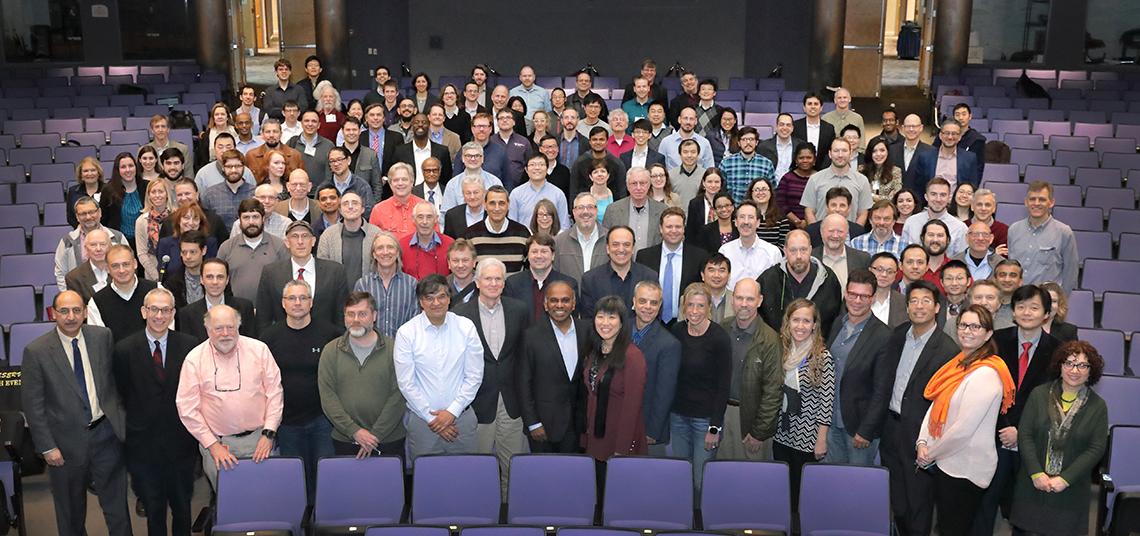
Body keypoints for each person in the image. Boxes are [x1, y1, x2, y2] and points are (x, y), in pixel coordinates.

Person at [22, 290, 131, 536]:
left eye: (76, 310)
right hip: (64, 443)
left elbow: (114, 383)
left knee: (117, 507)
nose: (71, 317)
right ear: (53, 314)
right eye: (64, 311)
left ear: (84, 313)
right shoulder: (36, 351)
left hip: (106, 435)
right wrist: (47, 447)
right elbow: (34, 406)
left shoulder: (102, 337)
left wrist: (121, 423)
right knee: (70, 510)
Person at [918, 305, 1016, 536]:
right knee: (945, 527)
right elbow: (935, 406)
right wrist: (922, 442)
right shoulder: (958, 363)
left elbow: (963, 429)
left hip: (966, 468)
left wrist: (930, 454)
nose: (967, 331)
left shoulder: (987, 372)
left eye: (976, 326)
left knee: (954, 529)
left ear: (989, 333)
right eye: (963, 325)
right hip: (946, 461)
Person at [974, 284, 1062, 536]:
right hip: (993, 436)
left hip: (1033, 442)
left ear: (1046, 313)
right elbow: (984, 388)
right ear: (1012, 311)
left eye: (1034, 307)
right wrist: (1004, 427)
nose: (1026, 312)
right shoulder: (996, 342)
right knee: (984, 504)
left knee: (1024, 511)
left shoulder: (1059, 349)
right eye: (1020, 306)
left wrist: (1020, 430)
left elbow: (1055, 399)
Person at [113, 287, 198, 536]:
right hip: (143, 446)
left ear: (173, 313)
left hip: (181, 443)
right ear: (143, 312)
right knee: (154, 509)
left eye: (165, 310)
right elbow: (121, 393)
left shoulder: (190, 346)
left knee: (183, 508)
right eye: (153, 309)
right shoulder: (124, 350)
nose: (159, 316)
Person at [880, 280, 960, 536]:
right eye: (914, 300)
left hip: (921, 435)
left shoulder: (948, 349)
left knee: (919, 502)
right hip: (891, 428)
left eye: (926, 300)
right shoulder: (898, 334)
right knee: (897, 499)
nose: (919, 306)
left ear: (937, 307)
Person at [176, 304, 283, 489]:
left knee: (265, 500)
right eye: (218, 328)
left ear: (238, 327)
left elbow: (275, 393)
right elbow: (187, 408)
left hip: (260, 442)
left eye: (230, 327)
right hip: (219, 446)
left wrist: (269, 434)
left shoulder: (259, 350)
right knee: (228, 506)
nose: (225, 333)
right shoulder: (194, 359)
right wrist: (212, 445)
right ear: (208, 330)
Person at [1009, 340, 1109, 536]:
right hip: (1033, 486)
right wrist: (1036, 473)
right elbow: (1026, 435)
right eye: (1069, 363)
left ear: (1091, 371)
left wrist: (1065, 479)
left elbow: (1096, 449)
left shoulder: (1098, 406)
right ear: (1060, 366)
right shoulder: (1039, 395)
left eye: (1083, 365)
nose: (1075, 370)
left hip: (1070, 491)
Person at [453, 259, 529, 494]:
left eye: (498, 279)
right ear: (477, 282)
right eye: (488, 278)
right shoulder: (459, 314)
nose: (493, 283)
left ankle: (509, 517)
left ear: (504, 284)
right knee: (477, 467)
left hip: (511, 402)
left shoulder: (519, 310)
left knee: (514, 467)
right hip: (476, 403)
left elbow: (524, 355)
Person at [259, 280, 341, 498]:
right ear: (283, 303)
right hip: (286, 424)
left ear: (311, 302)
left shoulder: (331, 334)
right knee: (295, 484)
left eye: (303, 298)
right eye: (292, 298)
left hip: (322, 420)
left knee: (327, 480)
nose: (298, 303)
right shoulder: (268, 338)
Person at [394, 274, 484, 462]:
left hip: (462, 421)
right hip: (423, 423)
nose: (436, 302)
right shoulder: (407, 333)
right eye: (429, 297)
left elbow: (474, 376)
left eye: (441, 296)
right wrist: (433, 419)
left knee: (465, 481)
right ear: (421, 302)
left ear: (449, 299)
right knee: (426, 486)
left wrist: (452, 412)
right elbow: (406, 383)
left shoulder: (465, 327)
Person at [318, 291, 408, 464]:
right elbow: (328, 397)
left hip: (388, 440)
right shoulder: (331, 351)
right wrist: (355, 431)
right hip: (346, 440)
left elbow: (399, 395)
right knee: (349, 491)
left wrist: (375, 436)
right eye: (350, 314)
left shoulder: (395, 349)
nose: (356, 319)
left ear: (374, 316)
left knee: (389, 491)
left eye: (362, 314)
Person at [773, 299, 836, 512]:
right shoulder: (781, 351)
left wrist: (821, 439)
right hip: (781, 433)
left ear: (814, 325)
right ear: (787, 322)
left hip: (807, 438)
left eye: (806, 321)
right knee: (781, 492)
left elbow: (826, 402)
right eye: (796, 320)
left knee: (801, 497)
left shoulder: (821, 357)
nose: (800, 326)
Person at [825, 269, 893, 465]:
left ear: (872, 299)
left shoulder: (883, 336)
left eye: (864, 296)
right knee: (832, 481)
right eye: (853, 294)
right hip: (830, 423)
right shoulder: (838, 323)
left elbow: (882, 390)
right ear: (846, 294)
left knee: (857, 487)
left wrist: (866, 430)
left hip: (858, 429)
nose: (857, 300)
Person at [669, 283, 732, 493]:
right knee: (678, 478)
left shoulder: (719, 338)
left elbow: (724, 386)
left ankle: (700, 524)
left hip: (705, 422)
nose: (694, 311)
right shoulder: (676, 331)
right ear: (684, 307)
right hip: (678, 417)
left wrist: (714, 427)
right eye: (690, 305)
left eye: (700, 306)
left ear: (708, 308)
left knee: (700, 481)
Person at [517, 280, 588, 453]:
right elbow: (523, 383)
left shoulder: (587, 330)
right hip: (544, 426)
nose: (559, 305)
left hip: (580, 425)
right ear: (545, 304)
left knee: (575, 476)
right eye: (554, 300)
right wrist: (533, 423)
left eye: (565, 300)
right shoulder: (530, 336)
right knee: (544, 477)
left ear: (573, 304)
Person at [716, 279, 782, 461]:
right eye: (739, 298)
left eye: (750, 299)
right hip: (722, 415)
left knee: (752, 481)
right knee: (722, 473)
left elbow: (773, 392)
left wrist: (759, 432)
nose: (744, 304)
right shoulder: (723, 328)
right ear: (732, 299)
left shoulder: (770, 339)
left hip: (751, 420)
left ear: (760, 301)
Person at [581, 295, 648, 463]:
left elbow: (632, 407)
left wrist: (621, 449)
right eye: (600, 316)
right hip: (594, 435)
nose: (605, 323)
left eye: (611, 317)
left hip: (619, 440)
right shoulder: (594, 351)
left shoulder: (633, 356)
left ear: (622, 322)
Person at [255, 219, 348, 330]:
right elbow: (263, 317)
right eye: (294, 236)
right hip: (283, 340)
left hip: (325, 341)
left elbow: (341, 314)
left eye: (305, 236)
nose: (300, 242)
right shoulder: (271, 273)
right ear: (287, 243)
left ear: (313, 241)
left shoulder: (335, 271)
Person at [758, 229, 842, 334]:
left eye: (803, 250)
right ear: (785, 250)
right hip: (777, 347)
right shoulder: (768, 280)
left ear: (810, 249)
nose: (798, 256)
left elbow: (836, 320)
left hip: (817, 347)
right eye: (793, 250)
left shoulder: (828, 279)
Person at [635, 207, 709, 325]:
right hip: (651, 322)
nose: (673, 231)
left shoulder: (699, 257)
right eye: (669, 227)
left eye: (678, 227)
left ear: (684, 229)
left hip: (685, 323)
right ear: (661, 229)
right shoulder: (645, 257)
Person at [1008, 181, 1079, 292]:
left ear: (1051, 203)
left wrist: (1061, 302)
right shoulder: (1014, 230)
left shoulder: (1064, 232)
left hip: (1047, 302)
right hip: (1017, 300)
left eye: (1042, 199)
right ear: (1026, 202)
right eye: (1032, 199)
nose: (1036, 203)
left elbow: (1071, 274)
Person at [216, 198, 290, 301]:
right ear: (239, 220)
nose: (251, 222)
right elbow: (218, 281)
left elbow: (287, 280)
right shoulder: (226, 248)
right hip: (236, 311)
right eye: (246, 217)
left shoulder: (279, 246)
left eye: (255, 217)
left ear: (263, 219)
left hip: (271, 310)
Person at [85, 244, 158, 343]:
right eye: (115, 266)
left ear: (135, 264)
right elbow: (98, 342)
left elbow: (168, 332)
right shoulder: (96, 302)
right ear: (107, 269)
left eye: (126, 264)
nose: (121, 270)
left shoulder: (157, 291)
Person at [580, 226, 658, 317]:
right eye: (615, 244)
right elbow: (588, 320)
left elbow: (654, 317)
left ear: (633, 248)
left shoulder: (649, 277)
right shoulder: (590, 280)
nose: (621, 249)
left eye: (626, 244)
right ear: (608, 248)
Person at [354, 232, 419, 338]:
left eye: (390, 247)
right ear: (374, 254)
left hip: (404, 348)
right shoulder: (363, 285)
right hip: (371, 349)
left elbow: (415, 322)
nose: (385, 252)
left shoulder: (411, 284)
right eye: (380, 248)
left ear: (397, 252)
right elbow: (358, 321)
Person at [176, 258, 258, 341]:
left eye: (220, 277)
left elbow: (251, 343)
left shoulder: (244, 308)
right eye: (209, 277)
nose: (215, 282)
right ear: (201, 279)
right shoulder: (187, 314)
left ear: (227, 280)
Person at [56, 197, 128, 290]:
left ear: (100, 212)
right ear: (77, 217)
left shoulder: (117, 237)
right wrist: (69, 295)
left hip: (115, 291)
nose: (88, 217)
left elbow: (128, 264)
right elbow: (61, 272)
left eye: (92, 212)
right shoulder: (68, 241)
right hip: (81, 294)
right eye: (83, 214)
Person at [503, 233, 578, 321]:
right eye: (534, 251)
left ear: (553, 255)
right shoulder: (513, 283)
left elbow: (572, 319)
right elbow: (509, 319)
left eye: (544, 251)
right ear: (528, 256)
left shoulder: (568, 284)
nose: (539, 256)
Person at [800, 138, 872, 226]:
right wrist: (816, 233)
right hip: (821, 236)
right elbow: (809, 211)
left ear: (850, 153)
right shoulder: (815, 179)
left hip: (850, 237)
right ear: (830, 154)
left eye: (844, 151)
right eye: (836, 151)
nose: (840, 155)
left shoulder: (862, 181)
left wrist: (854, 233)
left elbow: (863, 213)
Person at [315, 192, 378, 287]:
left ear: (362, 209)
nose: (350, 207)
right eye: (345, 204)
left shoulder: (376, 234)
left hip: (369, 295)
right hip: (337, 295)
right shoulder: (328, 235)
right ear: (340, 210)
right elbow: (322, 269)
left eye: (355, 203)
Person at [720, 200, 783, 288]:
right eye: (742, 217)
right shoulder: (725, 251)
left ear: (758, 223)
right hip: (731, 300)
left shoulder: (772, 252)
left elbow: (777, 285)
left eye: (750, 217)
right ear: (735, 222)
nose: (746, 222)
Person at [602, 167, 666, 252]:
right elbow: (605, 242)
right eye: (634, 183)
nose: (638, 188)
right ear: (627, 186)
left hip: (652, 264)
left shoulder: (662, 210)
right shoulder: (613, 210)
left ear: (649, 185)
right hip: (621, 262)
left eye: (642, 183)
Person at [901, 177, 968, 257]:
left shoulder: (960, 228)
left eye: (943, 195)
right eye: (933, 194)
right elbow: (903, 254)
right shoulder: (911, 222)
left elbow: (961, 260)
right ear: (926, 197)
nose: (938, 199)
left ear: (949, 198)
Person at [553, 192, 609, 282]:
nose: (585, 212)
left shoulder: (610, 239)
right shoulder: (559, 242)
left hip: (602, 296)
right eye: (580, 208)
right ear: (574, 212)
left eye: (590, 207)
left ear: (596, 211)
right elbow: (554, 276)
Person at [913, 120, 980, 195]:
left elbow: (972, 187)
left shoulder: (969, 158)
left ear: (960, 137)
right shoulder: (925, 157)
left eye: (954, 134)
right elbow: (919, 187)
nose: (950, 137)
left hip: (956, 204)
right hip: (931, 204)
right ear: (940, 136)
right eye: (947, 133)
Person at [100, 152, 149, 249]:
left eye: (131, 166)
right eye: (123, 167)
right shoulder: (108, 190)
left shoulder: (147, 186)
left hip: (145, 242)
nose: (128, 170)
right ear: (117, 170)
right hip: (119, 243)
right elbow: (103, 219)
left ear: (136, 167)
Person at [509, 153, 570, 231]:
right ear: (526, 169)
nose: (537, 168)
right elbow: (512, 224)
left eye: (541, 164)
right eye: (532, 165)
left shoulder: (558, 194)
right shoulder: (516, 194)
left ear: (547, 168)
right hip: (524, 240)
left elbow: (564, 226)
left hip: (552, 241)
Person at [813, 213, 872, 289]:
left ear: (847, 234)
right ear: (821, 232)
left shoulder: (863, 259)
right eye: (831, 231)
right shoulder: (811, 258)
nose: (835, 235)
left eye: (840, 231)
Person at [200, 149, 255, 230]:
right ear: (223, 168)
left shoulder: (255, 193)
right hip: (220, 241)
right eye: (229, 166)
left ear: (244, 167)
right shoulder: (210, 194)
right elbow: (204, 224)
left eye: (237, 166)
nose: (233, 170)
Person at [162, 229, 209, 310]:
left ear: (204, 250)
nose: (188, 256)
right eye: (184, 252)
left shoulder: (215, 278)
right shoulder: (172, 283)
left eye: (192, 252)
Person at [792, 92, 837, 170]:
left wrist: (821, 170)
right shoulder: (795, 126)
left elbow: (830, 151)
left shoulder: (829, 128)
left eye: (816, 104)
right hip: (799, 171)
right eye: (809, 104)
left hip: (823, 172)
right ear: (804, 107)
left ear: (821, 107)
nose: (813, 107)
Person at [145, 115, 194, 179]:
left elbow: (189, 175)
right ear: (152, 130)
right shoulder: (144, 150)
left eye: (163, 126)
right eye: (157, 127)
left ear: (168, 129)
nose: (160, 130)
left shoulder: (182, 149)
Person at [899, 114, 936, 190]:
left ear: (921, 128)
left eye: (914, 126)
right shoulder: (891, 150)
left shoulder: (931, 152)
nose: (911, 129)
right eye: (908, 126)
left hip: (920, 200)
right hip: (895, 199)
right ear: (902, 128)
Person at [66, 157, 106, 228]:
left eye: (93, 170)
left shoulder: (108, 190)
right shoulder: (73, 192)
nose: (89, 173)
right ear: (81, 175)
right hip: (82, 232)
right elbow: (70, 217)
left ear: (98, 173)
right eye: (85, 171)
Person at [861, 137, 903, 202]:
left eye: (882, 150)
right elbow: (860, 195)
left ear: (887, 152)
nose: (878, 154)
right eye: (874, 151)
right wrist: (885, 197)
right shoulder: (861, 170)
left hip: (887, 209)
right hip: (866, 210)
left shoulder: (896, 171)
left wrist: (872, 196)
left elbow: (895, 197)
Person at [701, 253, 736, 322]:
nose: (716, 275)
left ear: (729, 275)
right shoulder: (688, 299)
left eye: (721, 270)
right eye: (711, 270)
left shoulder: (738, 300)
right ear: (702, 275)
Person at [446, 239, 479, 306]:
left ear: (474, 262)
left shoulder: (486, 285)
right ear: (449, 263)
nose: (460, 265)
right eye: (455, 261)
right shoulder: (442, 287)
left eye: (465, 260)